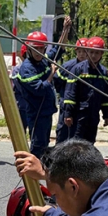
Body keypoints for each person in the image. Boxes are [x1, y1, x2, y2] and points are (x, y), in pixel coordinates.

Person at [16, 18, 71, 158]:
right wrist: (51, 74)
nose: (38, 51)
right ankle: (32, 176)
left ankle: (39, 172)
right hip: (36, 113)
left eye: (41, 48)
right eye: (35, 48)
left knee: (44, 144)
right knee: (38, 146)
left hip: (46, 112)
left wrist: (66, 30)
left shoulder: (44, 59)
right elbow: (39, 89)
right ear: (29, 48)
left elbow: (58, 49)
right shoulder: (27, 68)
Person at [62, 37, 108, 171]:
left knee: (90, 142)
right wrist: (68, 113)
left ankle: (84, 169)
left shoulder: (103, 72)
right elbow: (70, 94)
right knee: (76, 143)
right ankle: (72, 169)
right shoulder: (78, 69)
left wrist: (106, 115)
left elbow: (105, 95)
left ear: (102, 54)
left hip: (93, 115)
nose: (93, 55)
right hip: (78, 114)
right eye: (91, 52)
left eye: (97, 53)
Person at [54, 37, 88, 144]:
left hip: (82, 107)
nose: (82, 54)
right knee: (63, 134)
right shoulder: (68, 66)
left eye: (84, 51)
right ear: (76, 51)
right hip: (67, 105)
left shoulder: (92, 68)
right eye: (79, 51)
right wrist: (63, 94)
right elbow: (57, 79)